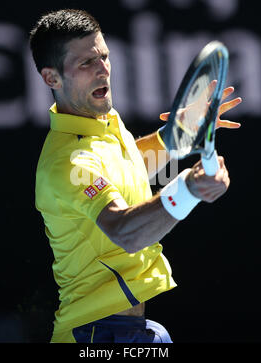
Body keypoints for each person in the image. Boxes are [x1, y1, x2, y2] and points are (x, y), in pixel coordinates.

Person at [30, 9, 242, 343]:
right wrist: (187, 189)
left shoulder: (104, 124)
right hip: (93, 336)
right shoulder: (69, 162)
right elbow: (125, 232)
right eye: (86, 63)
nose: (103, 70)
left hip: (126, 332)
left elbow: (128, 168)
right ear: (51, 78)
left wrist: (176, 135)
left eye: (104, 56)